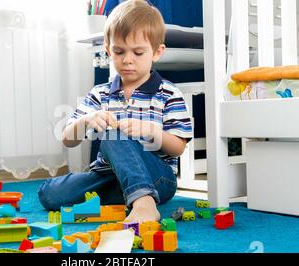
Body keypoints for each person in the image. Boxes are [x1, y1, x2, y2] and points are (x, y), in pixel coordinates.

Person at [38, 0, 193, 223]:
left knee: (113, 137)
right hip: (108, 176)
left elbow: (178, 148)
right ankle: (127, 196)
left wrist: (150, 131)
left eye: (138, 53)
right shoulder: (100, 94)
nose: (128, 60)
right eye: (119, 51)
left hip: (158, 177)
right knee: (50, 193)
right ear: (108, 50)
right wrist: (87, 120)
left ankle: (144, 203)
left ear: (157, 52)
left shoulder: (168, 93)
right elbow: (67, 138)